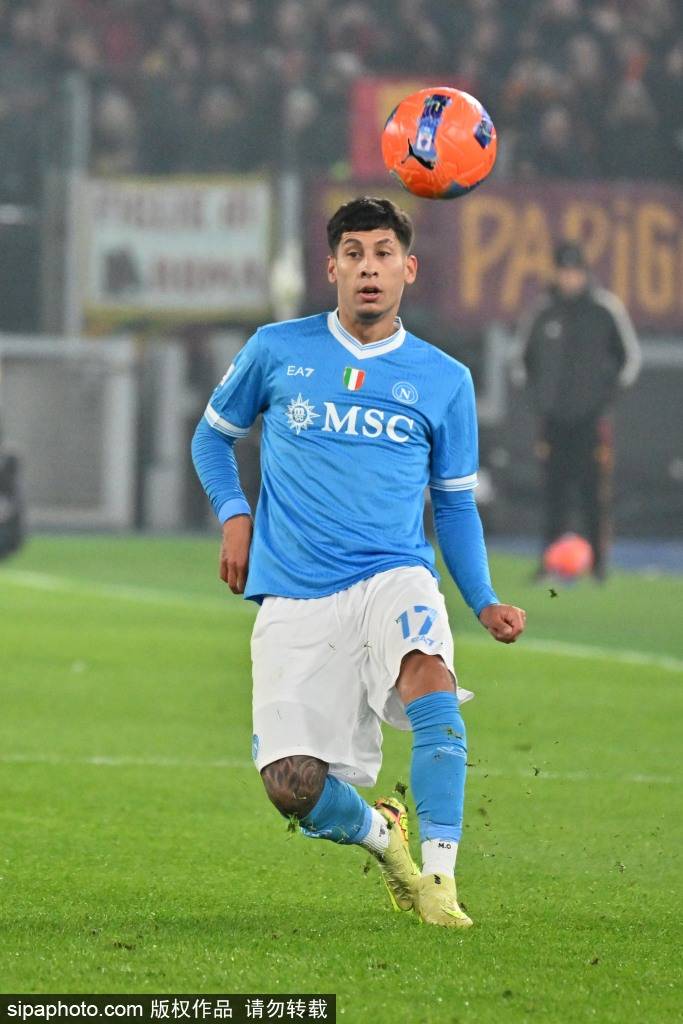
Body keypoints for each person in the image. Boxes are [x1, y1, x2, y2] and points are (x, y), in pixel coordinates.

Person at [192, 196, 526, 929]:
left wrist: (482, 599)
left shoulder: (444, 379)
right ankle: (385, 838)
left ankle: (440, 877)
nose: (368, 268)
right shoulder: (276, 349)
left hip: (392, 574)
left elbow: (454, 507)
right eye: (353, 254)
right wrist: (235, 516)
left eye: (382, 254)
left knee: (430, 678)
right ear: (332, 268)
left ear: (408, 269)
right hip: (294, 593)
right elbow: (211, 438)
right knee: (292, 785)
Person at [515, 240, 641, 580]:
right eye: (565, 271)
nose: (570, 278)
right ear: (557, 274)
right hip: (553, 421)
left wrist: (604, 400)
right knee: (553, 493)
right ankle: (549, 561)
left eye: (575, 271)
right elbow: (523, 363)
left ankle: (599, 565)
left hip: (591, 421)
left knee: (593, 493)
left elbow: (628, 360)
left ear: (585, 273)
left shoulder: (604, 311)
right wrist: (540, 402)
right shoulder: (543, 313)